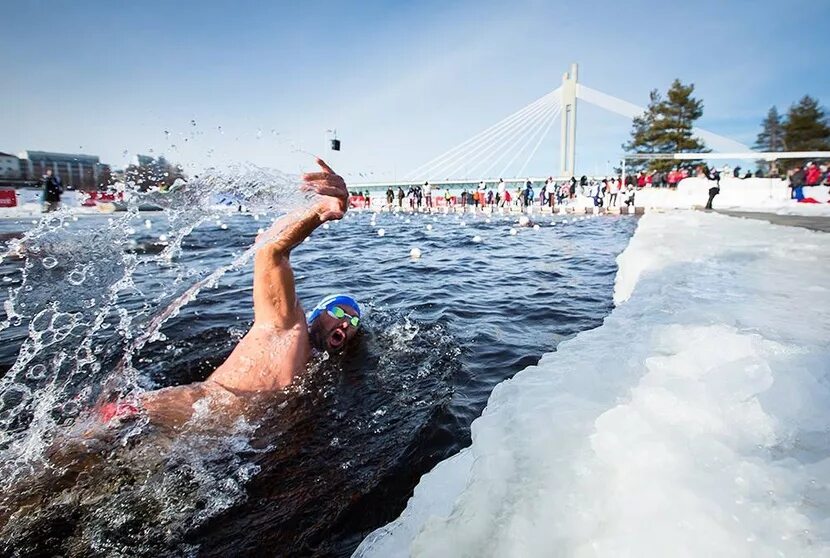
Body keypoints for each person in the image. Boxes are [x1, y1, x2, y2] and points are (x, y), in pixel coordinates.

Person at [99, 159, 362, 428]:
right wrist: (320, 211)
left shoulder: (316, 371)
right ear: (317, 316)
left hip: (212, 444)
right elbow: (271, 253)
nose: (345, 323)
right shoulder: (287, 325)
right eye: (340, 312)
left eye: (353, 322)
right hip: (158, 418)